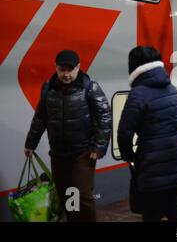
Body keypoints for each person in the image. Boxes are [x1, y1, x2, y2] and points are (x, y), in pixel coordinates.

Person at [24, 50, 112, 222]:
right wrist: (30, 143)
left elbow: (105, 116)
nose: (66, 74)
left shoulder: (90, 87)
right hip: (58, 153)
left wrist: (99, 147)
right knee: (66, 194)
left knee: (82, 194)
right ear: (55, 68)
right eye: (62, 69)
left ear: (78, 67)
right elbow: (40, 118)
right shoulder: (48, 88)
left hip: (83, 153)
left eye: (70, 69)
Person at [117, 46, 177, 222]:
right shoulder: (171, 89)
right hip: (176, 159)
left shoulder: (138, 94)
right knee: (173, 208)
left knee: (151, 214)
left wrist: (130, 157)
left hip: (153, 165)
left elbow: (124, 132)